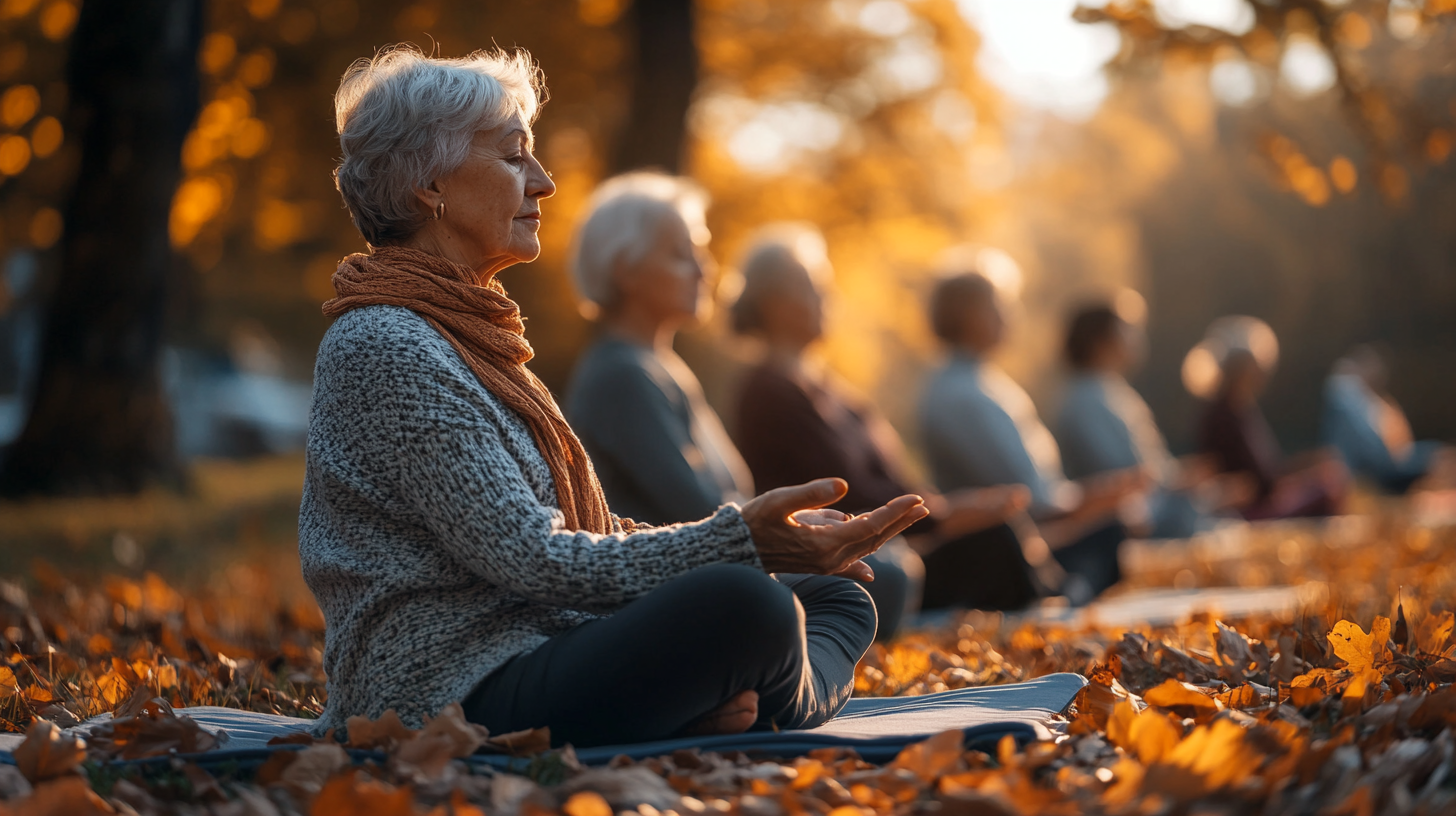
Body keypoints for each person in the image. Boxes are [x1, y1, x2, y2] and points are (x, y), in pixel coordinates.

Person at [301, 46, 927, 748]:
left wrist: (767, 543)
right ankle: (761, 696)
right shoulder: (388, 345)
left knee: (834, 594)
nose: (543, 183)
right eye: (513, 158)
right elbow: (533, 557)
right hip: (449, 688)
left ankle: (730, 696)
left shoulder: (474, 342)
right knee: (751, 605)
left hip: (541, 639)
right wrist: (738, 544)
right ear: (430, 186)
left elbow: (583, 534)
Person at [730, 226, 1033, 618]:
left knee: (1000, 531)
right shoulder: (768, 392)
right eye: (811, 286)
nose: (826, 297)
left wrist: (943, 509)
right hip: (848, 556)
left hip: (898, 542)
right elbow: (840, 492)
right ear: (772, 302)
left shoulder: (835, 391)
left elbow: (890, 477)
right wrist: (942, 516)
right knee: (993, 541)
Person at [919, 270, 1144, 603]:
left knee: (1112, 526)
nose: (1009, 316)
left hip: (1030, 523)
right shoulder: (960, 394)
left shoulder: (982, 383)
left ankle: (1069, 588)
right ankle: (1064, 591)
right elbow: (1019, 491)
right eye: (998, 306)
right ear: (965, 315)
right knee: (1108, 531)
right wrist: (1086, 500)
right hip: (1007, 538)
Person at [564, 173, 752, 526]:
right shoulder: (622, 377)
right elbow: (700, 510)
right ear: (626, 270)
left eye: (700, 252)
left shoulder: (660, 365)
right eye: (682, 254)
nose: (704, 270)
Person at [1054, 303, 1219, 539]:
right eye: (1127, 329)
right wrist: (1175, 479)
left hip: (1151, 510)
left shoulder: (1112, 390)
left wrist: (1181, 476)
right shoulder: (1083, 399)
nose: (1136, 337)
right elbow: (1117, 474)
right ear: (1101, 340)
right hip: (1128, 523)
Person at [1197, 347, 1345, 520]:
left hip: (1259, 499)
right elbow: (1258, 480)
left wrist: (1308, 465)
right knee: (1327, 490)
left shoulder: (1239, 411)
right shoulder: (1224, 415)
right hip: (1249, 510)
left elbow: (1269, 472)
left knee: (1327, 476)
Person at [1322, 346, 1450, 494]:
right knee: (1438, 457)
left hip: (1384, 462)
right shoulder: (1349, 402)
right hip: (1376, 468)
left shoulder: (1370, 402)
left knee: (1440, 454)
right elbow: (1374, 453)